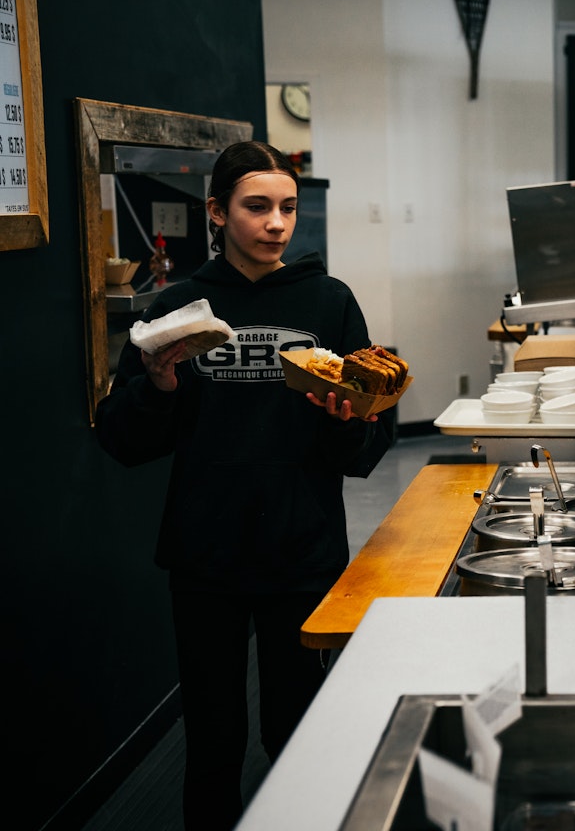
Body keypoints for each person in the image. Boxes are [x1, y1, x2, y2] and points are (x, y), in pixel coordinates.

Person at [95, 141, 395, 830]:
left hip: (302, 548)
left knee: (298, 731)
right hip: (206, 556)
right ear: (217, 211)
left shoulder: (329, 301)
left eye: (287, 207)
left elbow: (367, 445)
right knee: (213, 738)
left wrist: (347, 420)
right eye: (257, 207)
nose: (276, 223)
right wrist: (160, 386)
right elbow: (123, 440)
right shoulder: (178, 307)